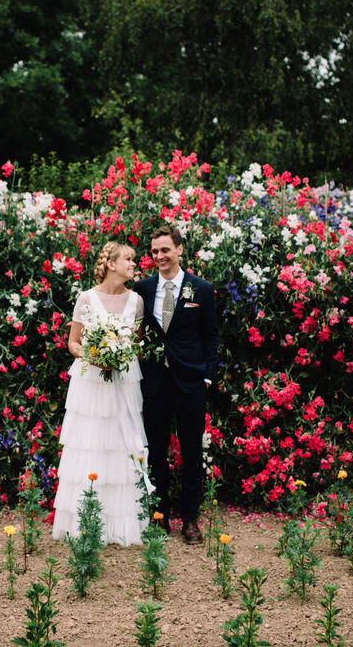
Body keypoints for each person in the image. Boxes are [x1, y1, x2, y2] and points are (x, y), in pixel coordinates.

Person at [52, 241, 150, 546]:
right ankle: (85, 521)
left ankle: (121, 524)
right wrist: (94, 356)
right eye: (129, 260)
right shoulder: (86, 299)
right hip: (91, 381)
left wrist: (120, 355)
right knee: (91, 445)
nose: (134, 264)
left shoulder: (137, 302)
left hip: (124, 380)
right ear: (111, 264)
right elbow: (73, 343)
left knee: (121, 443)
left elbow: (136, 343)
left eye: (134, 260)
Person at [134, 225, 219, 544]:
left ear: (179, 250)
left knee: (191, 452)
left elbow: (211, 337)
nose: (159, 256)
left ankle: (191, 520)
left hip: (191, 383)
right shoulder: (142, 288)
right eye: (154, 251)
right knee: (155, 453)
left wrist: (206, 376)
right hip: (154, 383)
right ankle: (160, 516)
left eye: (165, 250)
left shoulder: (202, 289)